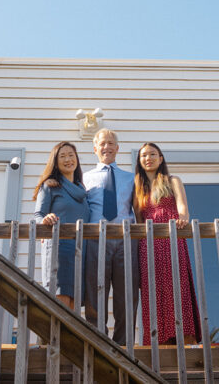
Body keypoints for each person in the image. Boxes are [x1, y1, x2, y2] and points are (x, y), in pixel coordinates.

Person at [133, 142, 201, 345]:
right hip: (148, 245)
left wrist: (182, 218)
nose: (148, 158)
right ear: (139, 161)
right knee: (152, 289)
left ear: (160, 158)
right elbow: (137, 218)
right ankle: (159, 340)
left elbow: (182, 207)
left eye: (153, 154)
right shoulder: (138, 188)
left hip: (172, 239)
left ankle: (182, 336)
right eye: (144, 155)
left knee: (176, 286)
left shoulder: (173, 181)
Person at [83, 128, 140, 344]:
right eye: (102, 144)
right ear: (95, 148)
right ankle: (98, 342)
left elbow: (137, 209)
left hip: (126, 240)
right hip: (95, 240)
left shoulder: (130, 178)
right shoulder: (84, 177)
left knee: (127, 294)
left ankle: (123, 344)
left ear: (117, 148)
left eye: (110, 143)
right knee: (95, 292)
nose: (106, 147)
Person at [33, 141, 89, 309]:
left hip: (80, 251)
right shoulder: (50, 186)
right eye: (62, 156)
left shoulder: (82, 189)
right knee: (61, 300)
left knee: (74, 304)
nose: (68, 159)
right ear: (55, 162)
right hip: (59, 250)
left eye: (71, 155)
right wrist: (45, 220)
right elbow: (38, 215)